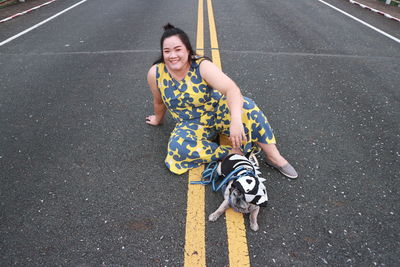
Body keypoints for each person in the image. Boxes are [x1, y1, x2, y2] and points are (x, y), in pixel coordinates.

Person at [145, 23, 298, 179]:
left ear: (188, 49)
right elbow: (159, 101)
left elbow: (232, 90)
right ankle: (232, 153)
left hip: (217, 112)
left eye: (178, 49)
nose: (172, 55)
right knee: (177, 148)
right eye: (167, 51)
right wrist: (158, 119)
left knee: (247, 106)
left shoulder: (201, 66)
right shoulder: (155, 73)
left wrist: (236, 122)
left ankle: (273, 156)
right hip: (190, 124)